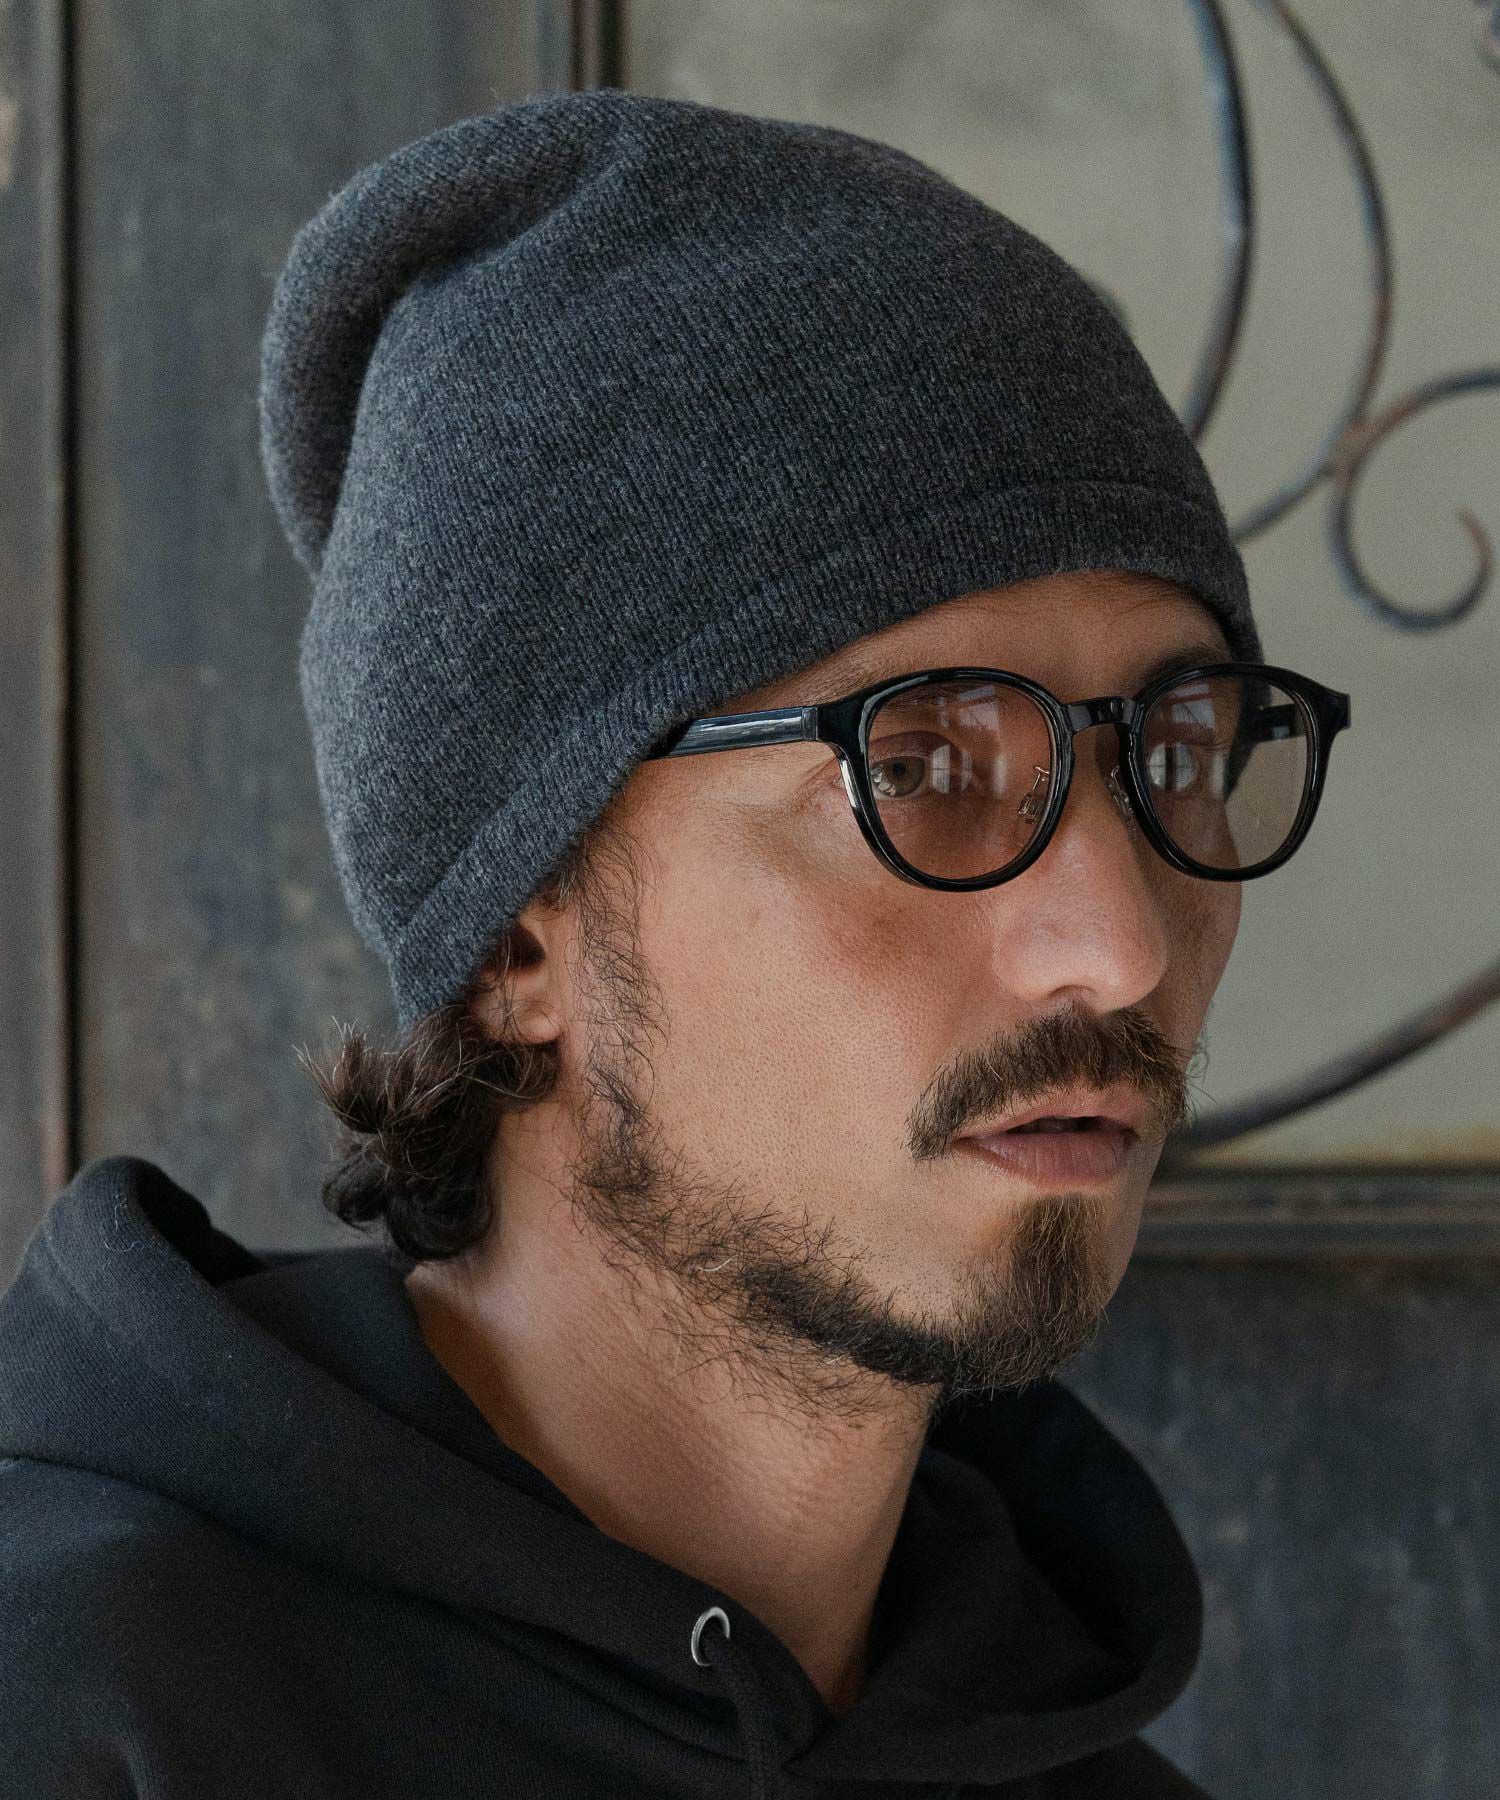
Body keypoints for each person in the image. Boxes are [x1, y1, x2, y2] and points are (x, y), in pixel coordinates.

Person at [0, 87, 1349, 1798]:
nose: (1120, 945)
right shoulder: (82, 1712)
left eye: (1172, 752)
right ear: (517, 935)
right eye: (921, 767)